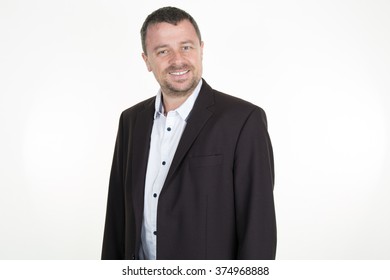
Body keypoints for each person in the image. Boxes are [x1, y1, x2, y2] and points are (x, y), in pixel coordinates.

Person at [101, 6, 276, 260]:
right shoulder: (131, 121)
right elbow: (117, 219)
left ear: (201, 50)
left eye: (186, 47)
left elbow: (258, 230)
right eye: (163, 51)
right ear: (147, 60)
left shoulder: (243, 120)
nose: (177, 60)